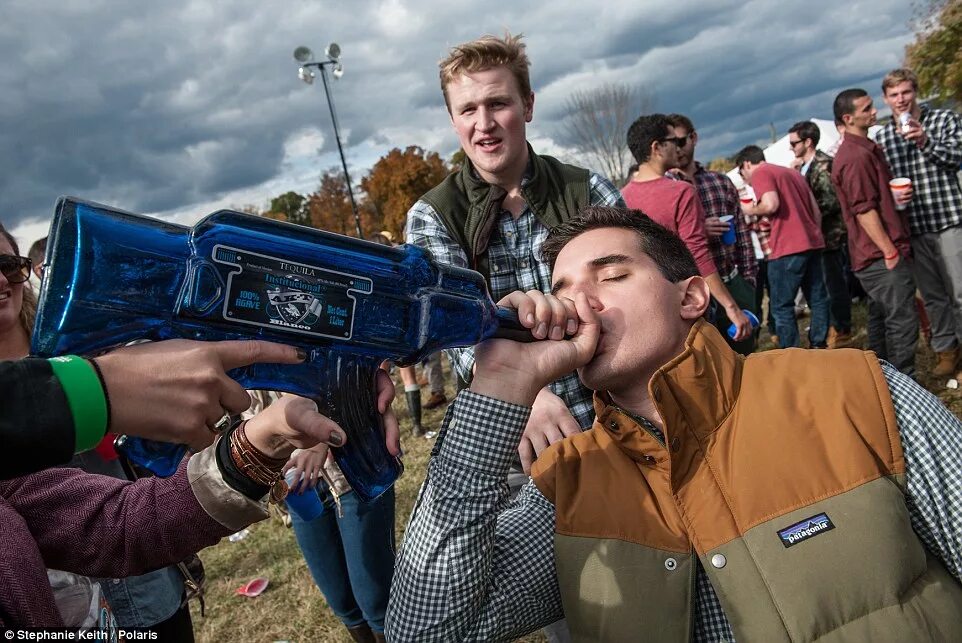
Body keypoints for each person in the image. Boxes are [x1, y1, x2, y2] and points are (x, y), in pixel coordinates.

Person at [385, 206, 962, 642]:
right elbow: (427, 629)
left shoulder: (857, 390)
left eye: (610, 276)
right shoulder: (566, 485)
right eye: (560, 290)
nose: (578, 304)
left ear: (690, 297)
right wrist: (497, 390)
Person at [404, 32, 625, 477]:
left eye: (497, 103)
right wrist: (523, 395)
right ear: (453, 120)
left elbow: (632, 298)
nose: (483, 123)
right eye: (468, 109)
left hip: (615, 415)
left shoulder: (589, 190)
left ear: (527, 105)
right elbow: (453, 331)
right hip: (513, 439)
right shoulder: (432, 215)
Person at [623, 114, 752, 343]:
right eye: (674, 142)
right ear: (657, 147)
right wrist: (732, 308)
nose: (678, 149)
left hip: (651, 306)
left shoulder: (622, 197)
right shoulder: (680, 192)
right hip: (688, 301)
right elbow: (698, 254)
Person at [876, 68, 962, 378]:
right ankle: (946, 351)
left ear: (916, 92)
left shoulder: (942, 120)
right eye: (894, 95)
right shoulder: (884, 136)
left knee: (960, 290)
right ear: (886, 100)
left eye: (906, 92)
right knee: (933, 295)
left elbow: (956, 158)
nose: (901, 99)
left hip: (949, 217)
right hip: (914, 226)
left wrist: (925, 140)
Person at [831, 89, 919, 377]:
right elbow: (863, 210)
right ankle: (903, 387)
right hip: (879, 255)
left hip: (877, 254)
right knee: (901, 321)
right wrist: (889, 250)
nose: (873, 111)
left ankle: (884, 384)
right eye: (866, 108)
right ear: (849, 117)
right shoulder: (854, 156)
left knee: (882, 319)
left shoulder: (865, 148)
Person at [283, 440, 395, 643]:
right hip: (296, 486)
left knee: (375, 601)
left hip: (353, 471)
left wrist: (319, 440)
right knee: (341, 602)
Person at [665, 113, 758, 353]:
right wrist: (696, 231)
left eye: (680, 141)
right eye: (669, 143)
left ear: (693, 138)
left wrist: (749, 281)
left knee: (744, 354)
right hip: (690, 293)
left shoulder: (719, 182)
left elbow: (743, 237)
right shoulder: (665, 189)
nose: (676, 149)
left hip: (731, 281)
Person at [735, 145, 830, 348]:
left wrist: (748, 209)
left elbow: (770, 204)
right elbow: (816, 211)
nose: (746, 181)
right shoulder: (793, 173)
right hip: (812, 242)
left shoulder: (762, 172)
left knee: (781, 306)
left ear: (746, 164)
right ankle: (819, 344)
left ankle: (791, 353)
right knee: (818, 299)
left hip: (786, 247)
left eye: (743, 174)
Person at [788, 121, 853, 348]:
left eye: (794, 143)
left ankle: (842, 327)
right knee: (824, 285)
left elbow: (831, 201)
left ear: (808, 142)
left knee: (833, 283)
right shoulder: (803, 167)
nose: (791, 148)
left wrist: (804, 213)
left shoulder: (823, 164)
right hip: (816, 237)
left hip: (829, 235)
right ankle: (835, 325)